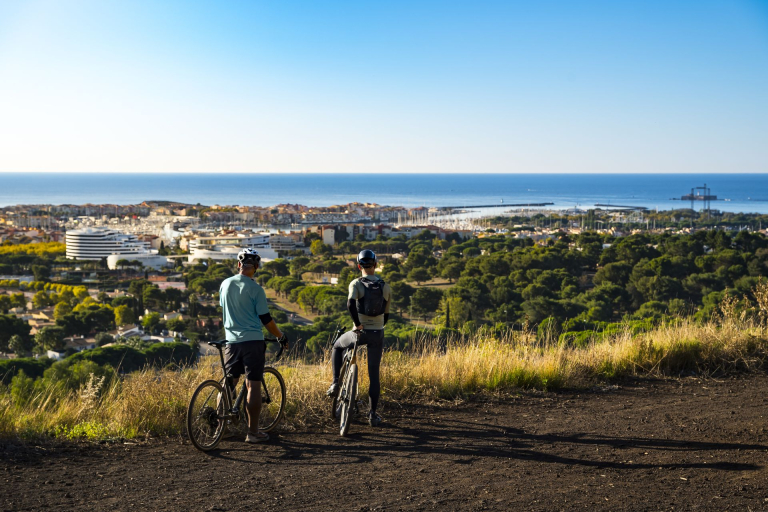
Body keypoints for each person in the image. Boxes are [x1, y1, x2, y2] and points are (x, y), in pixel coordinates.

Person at [220, 248, 288, 443]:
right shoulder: (256, 289)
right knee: (253, 385)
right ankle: (253, 432)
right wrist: (280, 336)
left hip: (231, 342)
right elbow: (266, 319)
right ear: (256, 267)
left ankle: (220, 427)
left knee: (229, 382)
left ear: (239, 265)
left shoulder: (224, 284)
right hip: (252, 341)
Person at [327, 249, 391, 427]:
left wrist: (358, 324)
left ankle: (334, 384)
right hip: (377, 334)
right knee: (374, 375)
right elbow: (386, 315)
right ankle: (372, 414)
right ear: (375, 265)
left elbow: (350, 304)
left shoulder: (356, 284)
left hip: (358, 333)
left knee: (338, 346)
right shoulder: (385, 287)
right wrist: (377, 326)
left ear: (358, 266)